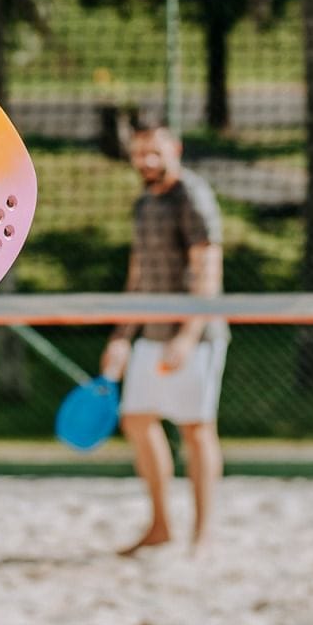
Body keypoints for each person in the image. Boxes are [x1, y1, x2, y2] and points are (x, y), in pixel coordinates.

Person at [100, 119, 228, 556]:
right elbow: (138, 275)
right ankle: (160, 525)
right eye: (139, 153)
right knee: (136, 420)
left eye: (155, 152)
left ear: (175, 148)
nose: (147, 160)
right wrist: (121, 336)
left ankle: (204, 534)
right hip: (150, 332)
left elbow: (208, 266)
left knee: (196, 430)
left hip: (195, 334)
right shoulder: (143, 203)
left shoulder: (191, 194)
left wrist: (188, 335)